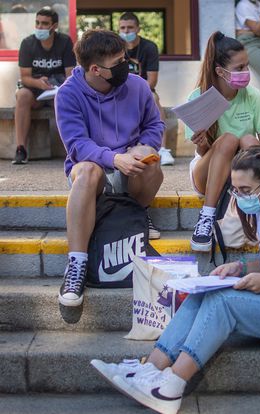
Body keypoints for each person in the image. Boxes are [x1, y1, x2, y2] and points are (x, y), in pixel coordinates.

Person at [90, 146, 260, 414]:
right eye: (236, 189)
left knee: (224, 301)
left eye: (246, 190)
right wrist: (238, 266)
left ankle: (171, 385)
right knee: (204, 291)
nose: (240, 197)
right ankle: (150, 368)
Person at [55, 29, 164, 307]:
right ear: (96, 69)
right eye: (118, 62)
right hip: (95, 172)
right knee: (87, 170)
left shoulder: (138, 86)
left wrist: (142, 148)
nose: (125, 65)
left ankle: (134, 214)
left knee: (152, 159)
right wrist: (114, 159)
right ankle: (77, 265)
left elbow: (155, 126)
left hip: (132, 170)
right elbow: (77, 145)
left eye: (124, 57)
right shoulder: (68, 94)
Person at [186, 31, 260, 252]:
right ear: (220, 71)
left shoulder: (252, 96)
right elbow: (203, 151)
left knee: (247, 140)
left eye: (247, 66)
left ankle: (259, 207)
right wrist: (201, 141)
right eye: (239, 68)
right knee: (228, 140)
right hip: (208, 175)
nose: (246, 72)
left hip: (243, 173)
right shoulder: (199, 98)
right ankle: (206, 219)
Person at [13, 6, 76, 164]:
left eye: (44, 24)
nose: (39, 27)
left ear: (54, 26)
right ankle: (21, 149)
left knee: (71, 97)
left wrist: (60, 89)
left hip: (58, 91)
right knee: (22, 95)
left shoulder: (65, 42)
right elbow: (25, 77)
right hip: (35, 92)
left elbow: (70, 75)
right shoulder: (28, 43)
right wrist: (39, 84)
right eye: (37, 23)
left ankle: (74, 149)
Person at [118, 11, 175, 167]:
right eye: (122, 28)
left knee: (155, 99)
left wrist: (135, 94)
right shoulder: (116, 47)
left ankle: (162, 149)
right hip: (118, 91)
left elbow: (152, 81)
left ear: (138, 29)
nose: (126, 31)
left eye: (130, 27)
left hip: (143, 89)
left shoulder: (149, 47)